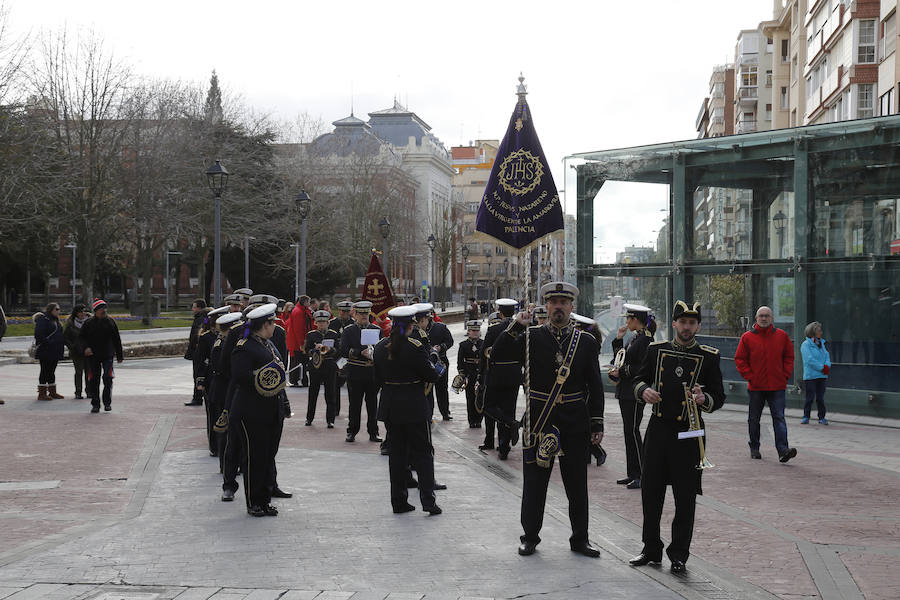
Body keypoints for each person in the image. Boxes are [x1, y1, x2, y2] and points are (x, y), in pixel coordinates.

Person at [491, 282, 606, 558]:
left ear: (571, 307)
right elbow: (498, 354)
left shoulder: (586, 342)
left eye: (563, 303)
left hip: (575, 419)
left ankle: (580, 538)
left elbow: (595, 385)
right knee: (535, 482)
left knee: (577, 483)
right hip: (540, 416)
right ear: (546, 305)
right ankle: (530, 536)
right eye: (553, 302)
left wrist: (597, 422)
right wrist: (517, 325)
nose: (557, 307)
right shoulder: (531, 337)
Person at [629, 301, 726, 574]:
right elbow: (637, 379)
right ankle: (651, 549)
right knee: (651, 493)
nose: (687, 327)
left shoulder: (709, 356)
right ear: (674, 324)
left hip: (690, 432)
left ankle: (679, 554)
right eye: (682, 322)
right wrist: (644, 390)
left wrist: (703, 398)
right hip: (659, 429)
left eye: (692, 323)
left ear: (697, 326)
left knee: (686, 498)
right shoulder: (655, 350)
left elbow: (718, 396)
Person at [373, 305, 443, 515]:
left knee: (396, 456)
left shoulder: (379, 347)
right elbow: (431, 376)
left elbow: (377, 380)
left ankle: (399, 501)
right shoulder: (415, 347)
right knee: (423, 454)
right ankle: (428, 501)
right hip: (413, 405)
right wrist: (434, 362)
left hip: (391, 406)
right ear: (410, 326)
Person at [230, 303, 286, 517]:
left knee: (267, 456)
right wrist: (264, 375)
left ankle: (264, 500)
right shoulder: (244, 346)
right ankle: (254, 502)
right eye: (273, 323)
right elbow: (240, 376)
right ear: (265, 324)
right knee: (254, 457)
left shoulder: (267, 344)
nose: (275, 327)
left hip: (271, 409)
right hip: (251, 411)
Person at [734, 305, 798, 463]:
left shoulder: (782, 336)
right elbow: (740, 359)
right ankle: (754, 448)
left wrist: (785, 376)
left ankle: (783, 450)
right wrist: (750, 377)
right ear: (756, 318)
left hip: (777, 386)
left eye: (767, 316)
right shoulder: (747, 337)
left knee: (779, 418)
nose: (763, 318)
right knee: (754, 419)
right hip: (756, 387)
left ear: (772, 318)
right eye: (761, 316)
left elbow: (789, 357)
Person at [608, 303, 654, 490]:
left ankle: (641, 474)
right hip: (625, 391)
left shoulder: (645, 340)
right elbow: (621, 357)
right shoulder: (635, 338)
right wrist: (618, 339)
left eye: (629, 318)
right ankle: (632, 473)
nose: (626, 322)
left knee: (633, 432)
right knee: (629, 432)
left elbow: (643, 369)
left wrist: (623, 372)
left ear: (636, 320)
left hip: (634, 392)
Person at [481, 298, 522, 460]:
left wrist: (481, 375)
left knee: (489, 406)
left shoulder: (495, 329)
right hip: (514, 374)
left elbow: (484, 354)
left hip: (496, 373)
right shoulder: (522, 330)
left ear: (500, 312)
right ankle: (504, 448)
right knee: (508, 407)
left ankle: (511, 423)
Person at [339, 300, 383, 443]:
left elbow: (382, 348)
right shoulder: (349, 331)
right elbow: (343, 350)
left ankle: (373, 432)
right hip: (356, 372)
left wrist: (375, 353)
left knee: (372, 405)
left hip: (372, 373)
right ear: (355, 314)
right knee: (355, 405)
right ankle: (352, 431)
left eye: (366, 313)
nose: (364, 316)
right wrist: (359, 352)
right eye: (361, 314)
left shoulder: (377, 329)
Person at [79, 299, 123, 413]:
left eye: (105, 308)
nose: (104, 310)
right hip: (93, 356)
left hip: (107, 355)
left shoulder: (111, 322)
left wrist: (119, 355)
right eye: (101, 308)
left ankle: (107, 403)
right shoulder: (88, 323)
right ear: (96, 311)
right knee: (94, 379)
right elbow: (81, 338)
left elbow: (116, 339)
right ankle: (95, 404)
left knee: (108, 378)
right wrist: (86, 348)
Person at [417, 304, 454, 421]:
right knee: (427, 391)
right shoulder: (417, 330)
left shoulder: (440, 327)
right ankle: (429, 414)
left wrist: (440, 348)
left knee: (442, 389)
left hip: (440, 362)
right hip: (425, 363)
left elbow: (450, 341)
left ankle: (445, 412)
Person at [304, 310, 340, 427]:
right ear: (316, 323)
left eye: (324, 322)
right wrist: (315, 350)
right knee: (313, 393)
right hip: (315, 367)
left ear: (328, 323)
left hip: (329, 366)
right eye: (319, 322)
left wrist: (330, 350)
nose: (321, 324)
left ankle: (330, 420)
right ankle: (309, 418)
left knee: (330, 394)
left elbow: (338, 351)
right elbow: (306, 351)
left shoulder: (333, 334)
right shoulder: (311, 335)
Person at [192, 306, 220, 455]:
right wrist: (200, 381)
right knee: (212, 412)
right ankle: (214, 445)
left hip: (223, 380)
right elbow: (199, 361)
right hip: (210, 379)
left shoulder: (228, 336)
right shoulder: (206, 337)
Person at [801, 321, 831, 425]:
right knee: (809, 398)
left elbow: (826, 356)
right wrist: (822, 368)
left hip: (822, 376)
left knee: (820, 398)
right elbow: (809, 360)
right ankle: (806, 416)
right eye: (819, 330)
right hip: (810, 376)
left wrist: (827, 366)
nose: (821, 332)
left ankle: (822, 417)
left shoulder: (822, 343)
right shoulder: (805, 345)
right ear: (813, 332)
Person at [34, 303, 66, 400]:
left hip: (55, 350)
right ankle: (42, 393)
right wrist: (50, 342)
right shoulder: (43, 319)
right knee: (44, 370)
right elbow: (38, 334)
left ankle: (52, 392)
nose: (58, 311)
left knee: (52, 371)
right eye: (57, 309)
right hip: (45, 350)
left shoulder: (56, 321)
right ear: (51, 310)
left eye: (59, 309)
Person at [456, 320, 483, 428]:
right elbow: (460, 362)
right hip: (469, 374)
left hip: (480, 374)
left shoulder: (483, 343)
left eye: (477, 330)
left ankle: (479, 420)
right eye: (473, 330)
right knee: (470, 398)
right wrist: (462, 375)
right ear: (468, 331)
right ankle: (472, 420)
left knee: (480, 397)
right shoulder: (463, 345)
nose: (475, 333)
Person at [184, 298, 208, 406]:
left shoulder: (201, 319)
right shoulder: (201, 317)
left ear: (199, 308)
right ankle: (197, 397)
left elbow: (196, 336)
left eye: (194, 307)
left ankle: (197, 398)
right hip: (197, 352)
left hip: (198, 352)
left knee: (198, 375)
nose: (192, 309)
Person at [63, 304, 90, 399]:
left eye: (84, 311)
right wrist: (72, 347)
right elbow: (65, 338)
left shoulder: (90, 321)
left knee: (88, 372)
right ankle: (78, 392)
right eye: (80, 312)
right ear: (76, 313)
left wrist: (91, 348)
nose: (82, 313)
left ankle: (89, 391)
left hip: (88, 351)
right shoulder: (71, 323)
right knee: (78, 372)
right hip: (76, 352)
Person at [286, 295, 313, 387]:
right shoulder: (299, 312)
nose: (309, 304)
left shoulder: (300, 311)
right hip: (298, 343)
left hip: (298, 341)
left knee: (299, 361)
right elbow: (299, 329)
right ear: (305, 302)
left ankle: (299, 380)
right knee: (298, 361)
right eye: (309, 302)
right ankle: (295, 380)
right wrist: (302, 343)